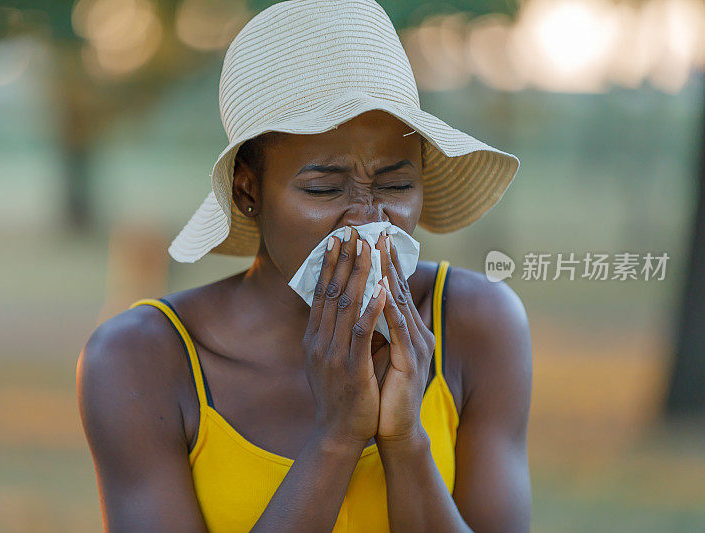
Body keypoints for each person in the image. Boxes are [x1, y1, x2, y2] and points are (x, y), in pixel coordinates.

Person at [77, 1, 532, 531]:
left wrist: (405, 441)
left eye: (395, 185)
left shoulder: (474, 324)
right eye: (323, 188)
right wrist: (337, 436)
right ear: (248, 190)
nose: (367, 218)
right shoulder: (143, 361)